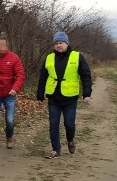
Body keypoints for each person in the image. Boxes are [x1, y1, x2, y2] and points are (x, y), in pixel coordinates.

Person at [36, 31, 93, 159]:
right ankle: (56, 149)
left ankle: (70, 139)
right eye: (56, 43)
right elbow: (43, 77)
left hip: (70, 98)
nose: (58, 45)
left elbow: (86, 75)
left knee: (69, 124)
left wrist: (86, 93)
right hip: (53, 98)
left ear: (67, 44)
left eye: (61, 43)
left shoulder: (77, 57)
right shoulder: (49, 58)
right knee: (53, 125)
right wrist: (40, 94)